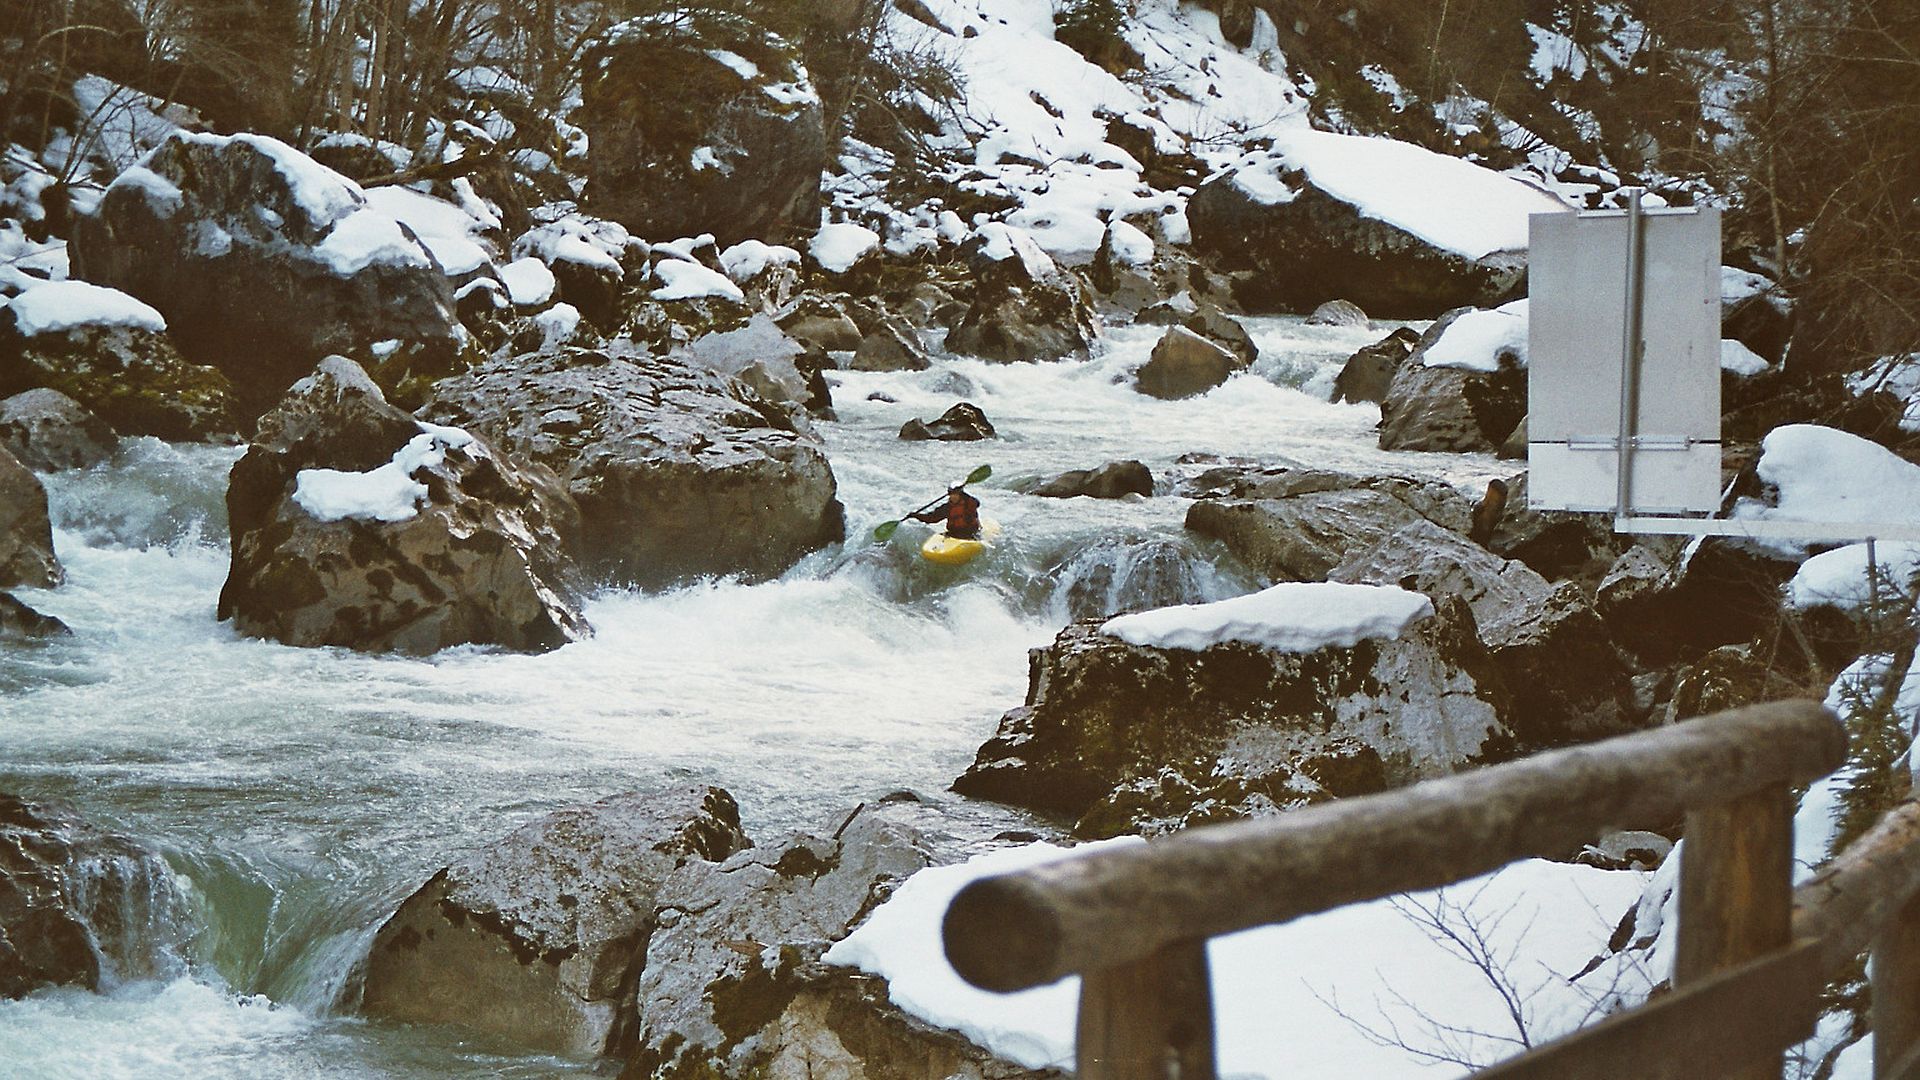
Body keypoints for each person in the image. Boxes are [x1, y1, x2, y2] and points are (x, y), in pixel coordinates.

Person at [910, 485, 981, 540]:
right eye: (952, 494)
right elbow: (931, 518)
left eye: (956, 494)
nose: (953, 497)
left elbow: (977, 502)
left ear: (960, 495)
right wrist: (916, 515)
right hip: (953, 534)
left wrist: (962, 492)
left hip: (970, 534)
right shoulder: (947, 508)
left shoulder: (968, 503)